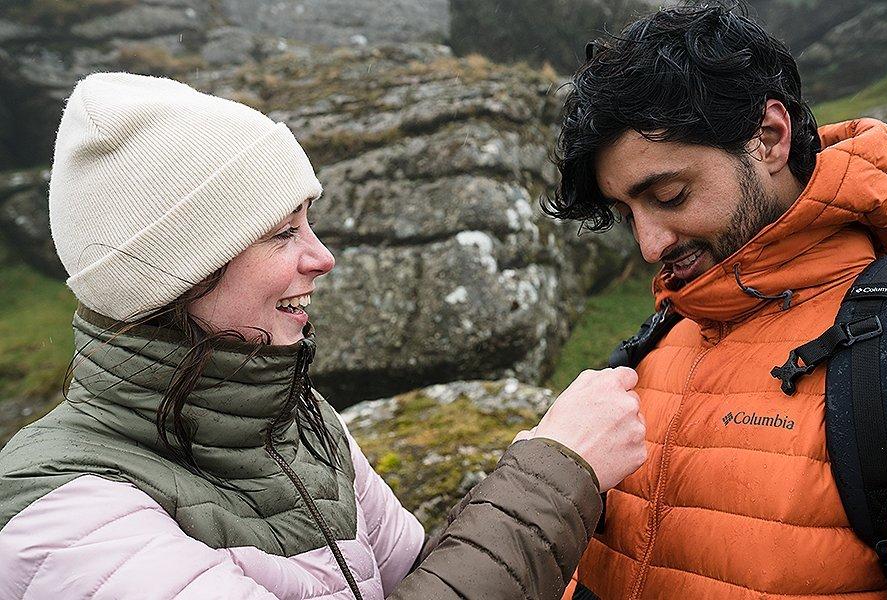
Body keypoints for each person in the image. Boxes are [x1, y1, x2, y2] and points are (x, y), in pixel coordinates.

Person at [0, 72, 648, 599]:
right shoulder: (63, 517)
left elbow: (420, 575)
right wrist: (554, 472)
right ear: (178, 271)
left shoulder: (303, 424)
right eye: (284, 233)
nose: (322, 256)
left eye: (309, 222)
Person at [545, 5, 887, 599]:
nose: (650, 245)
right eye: (627, 214)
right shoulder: (652, 348)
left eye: (670, 194)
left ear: (768, 138)